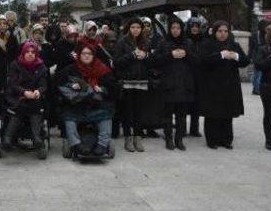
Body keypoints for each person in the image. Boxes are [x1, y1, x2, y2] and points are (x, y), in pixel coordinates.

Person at [57, 45, 116, 156]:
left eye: (89, 54)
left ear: (93, 56)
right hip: (77, 105)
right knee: (69, 116)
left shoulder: (102, 69)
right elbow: (59, 83)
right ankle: (76, 144)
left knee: (106, 115)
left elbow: (113, 87)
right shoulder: (71, 69)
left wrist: (102, 89)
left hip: (97, 104)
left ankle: (102, 144)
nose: (87, 56)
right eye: (84, 53)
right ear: (79, 55)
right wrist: (71, 85)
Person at [199, 21, 250, 149]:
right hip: (212, 85)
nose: (223, 34)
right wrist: (221, 55)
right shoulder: (207, 44)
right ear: (215, 32)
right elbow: (203, 61)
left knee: (228, 114)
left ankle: (226, 140)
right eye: (220, 31)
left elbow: (245, 61)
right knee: (212, 114)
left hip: (229, 85)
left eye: (226, 31)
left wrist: (236, 56)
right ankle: (212, 140)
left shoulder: (234, 45)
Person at [154, 18, 197, 151]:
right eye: (173, 28)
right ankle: (168, 139)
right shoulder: (163, 42)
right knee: (167, 115)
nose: (175, 30)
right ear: (169, 29)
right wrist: (170, 54)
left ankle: (179, 139)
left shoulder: (188, 42)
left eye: (178, 28)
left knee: (181, 115)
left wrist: (186, 54)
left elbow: (196, 61)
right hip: (168, 83)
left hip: (184, 84)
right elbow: (156, 60)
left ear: (182, 29)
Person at [2, 41, 48, 153]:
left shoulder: (41, 66)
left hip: (34, 97)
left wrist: (38, 91)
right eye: (27, 52)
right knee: (20, 106)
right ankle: (8, 137)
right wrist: (24, 92)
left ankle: (36, 137)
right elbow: (12, 84)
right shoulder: (15, 64)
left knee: (36, 104)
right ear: (23, 53)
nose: (30, 54)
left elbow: (43, 84)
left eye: (33, 52)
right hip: (16, 95)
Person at [114, 17, 151, 153]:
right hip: (127, 81)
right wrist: (132, 55)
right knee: (127, 111)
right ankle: (128, 138)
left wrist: (146, 56)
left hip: (142, 81)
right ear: (128, 28)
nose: (136, 30)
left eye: (138, 27)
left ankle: (138, 137)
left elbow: (152, 61)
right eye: (133, 27)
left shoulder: (146, 42)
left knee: (139, 111)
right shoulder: (122, 41)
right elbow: (117, 62)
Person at [254, 28, 271, 151]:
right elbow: (259, 65)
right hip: (268, 86)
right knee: (269, 114)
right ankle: (269, 140)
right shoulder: (263, 49)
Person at [186, 17, 205, 137]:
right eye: (192, 26)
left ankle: (194, 129)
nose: (194, 28)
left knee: (197, 104)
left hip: (199, 75)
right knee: (184, 102)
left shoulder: (203, 40)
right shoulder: (185, 40)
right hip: (187, 74)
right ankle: (182, 128)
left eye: (197, 26)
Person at [250, 20, 271, 95]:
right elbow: (252, 47)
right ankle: (256, 89)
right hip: (268, 86)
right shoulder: (256, 35)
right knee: (257, 75)